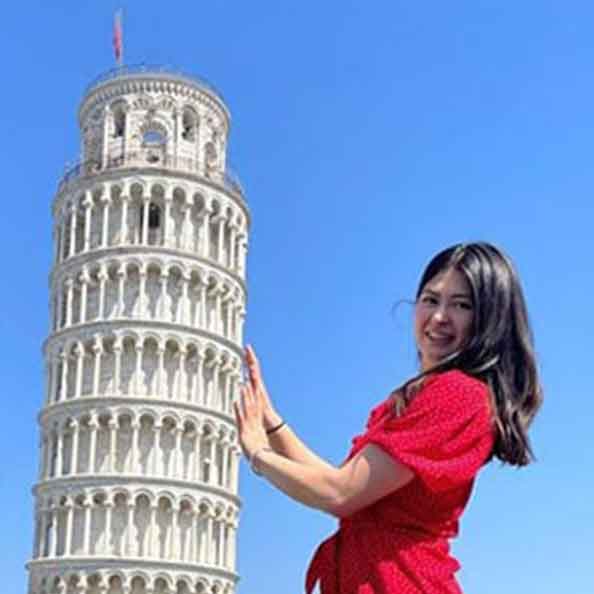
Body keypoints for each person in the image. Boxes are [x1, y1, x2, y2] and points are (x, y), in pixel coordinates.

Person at [234, 242, 542, 594]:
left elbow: (339, 493)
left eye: (461, 305)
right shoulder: (425, 395)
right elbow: (340, 485)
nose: (439, 316)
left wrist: (258, 454)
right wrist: (272, 423)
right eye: (430, 299)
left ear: (490, 320)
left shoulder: (459, 395)